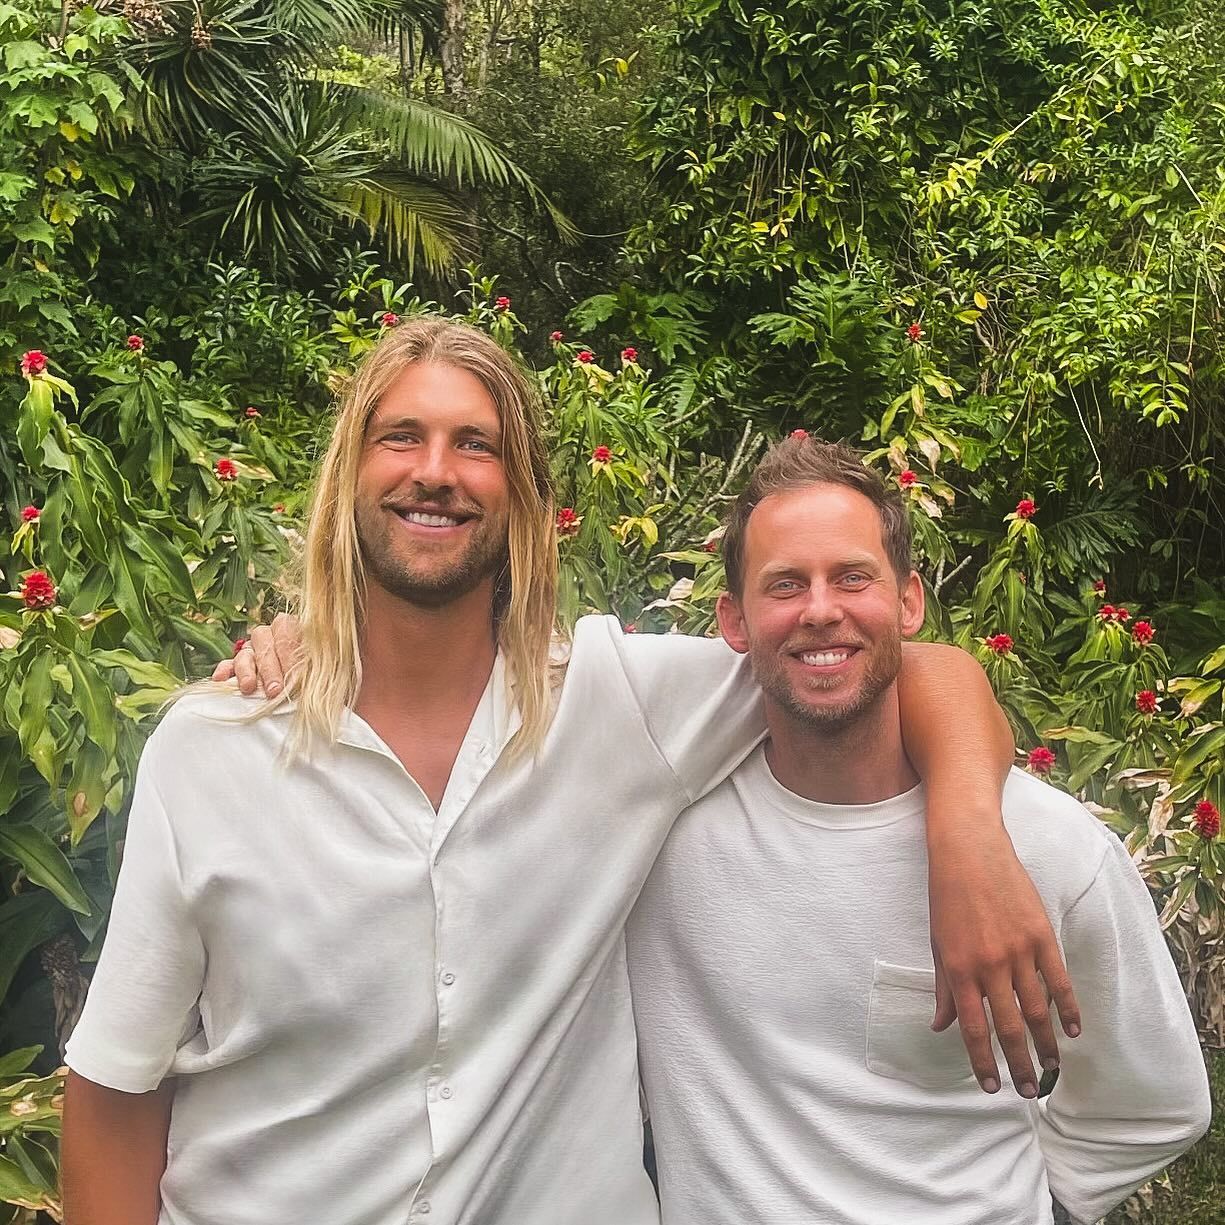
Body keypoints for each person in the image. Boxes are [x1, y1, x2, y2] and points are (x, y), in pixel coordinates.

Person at [61, 319, 1077, 1225]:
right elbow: (115, 1084)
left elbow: (900, 665)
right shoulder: (213, 750)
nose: (436, 470)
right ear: (348, 477)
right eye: (401, 435)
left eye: (477, 444)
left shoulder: (616, 707)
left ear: (525, 498)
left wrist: (967, 840)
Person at [625, 438, 1211, 1225]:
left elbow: (1151, 1104)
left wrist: (1034, 1206)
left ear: (908, 602)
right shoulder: (663, 824)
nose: (821, 609)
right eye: (785, 584)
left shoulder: (1046, 848)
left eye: (852, 576)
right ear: (732, 618)